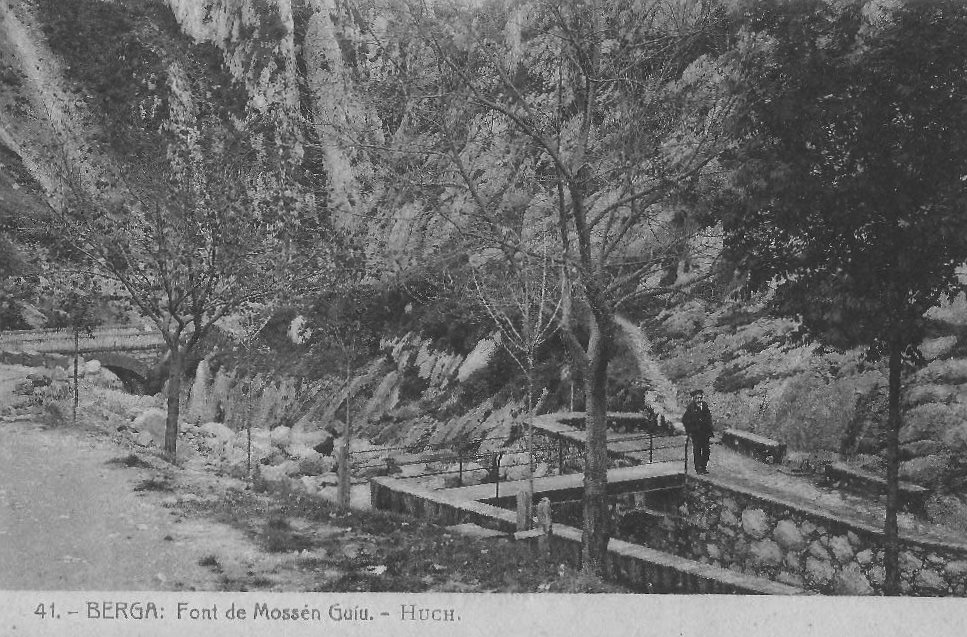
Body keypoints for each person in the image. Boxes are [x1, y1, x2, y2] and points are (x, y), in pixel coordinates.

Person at [682, 388, 714, 474]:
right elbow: (685, 420)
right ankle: (698, 468)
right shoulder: (691, 407)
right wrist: (690, 430)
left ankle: (703, 467)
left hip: (705, 433)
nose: (699, 400)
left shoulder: (705, 405)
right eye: (697, 398)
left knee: (706, 451)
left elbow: (709, 418)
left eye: (700, 398)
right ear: (694, 398)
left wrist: (709, 429)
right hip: (696, 434)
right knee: (697, 451)